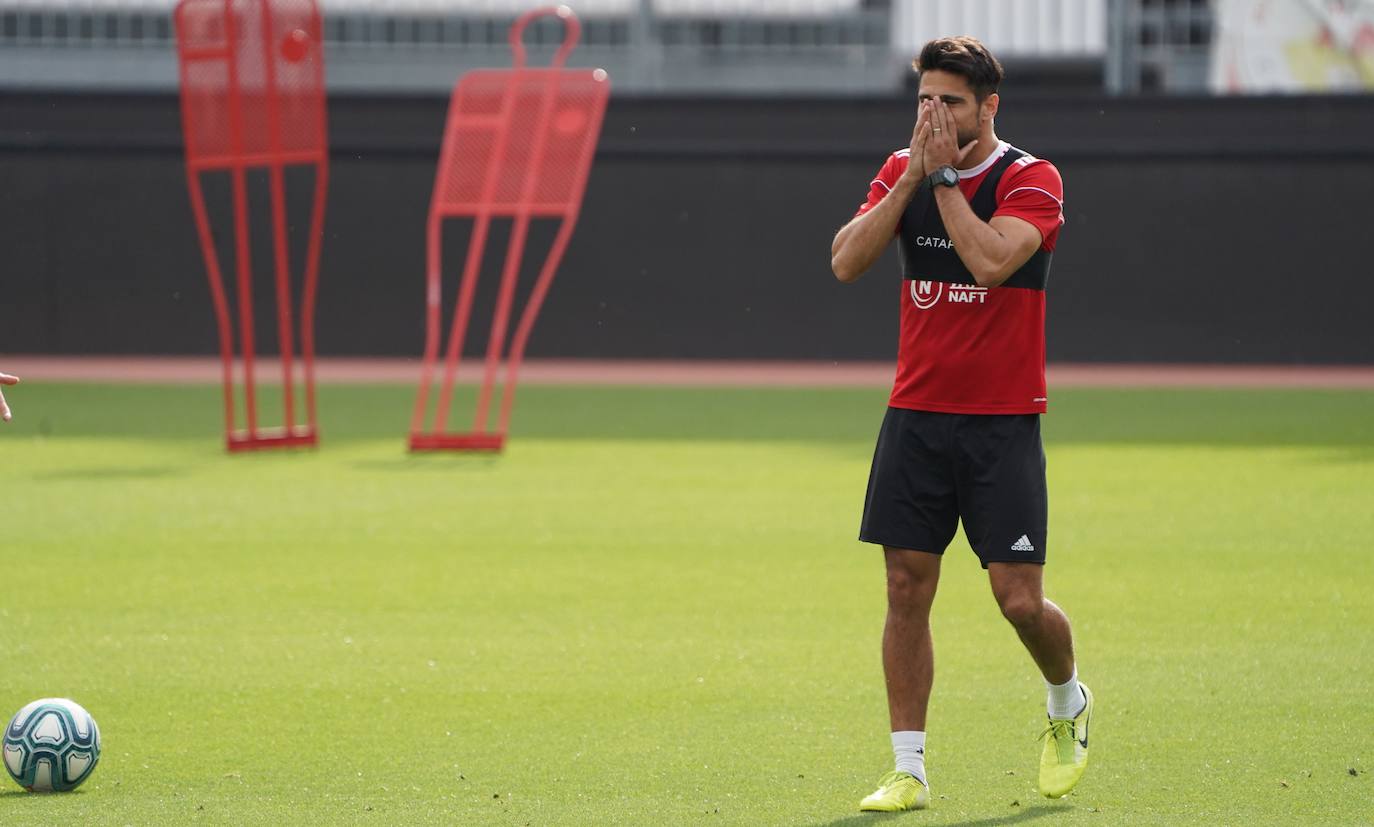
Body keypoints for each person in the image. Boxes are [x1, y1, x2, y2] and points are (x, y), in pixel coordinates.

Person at [829, 36, 1091, 812]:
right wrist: (910, 174)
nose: (933, 115)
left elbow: (987, 262)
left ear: (988, 108)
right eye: (924, 101)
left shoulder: (1031, 179)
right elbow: (846, 261)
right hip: (916, 413)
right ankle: (908, 767)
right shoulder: (902, 169)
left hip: (1001, 421)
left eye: (949, 102)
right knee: (906, 585)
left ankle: (1067, 700)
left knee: (1017, 599)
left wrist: (940, 181)